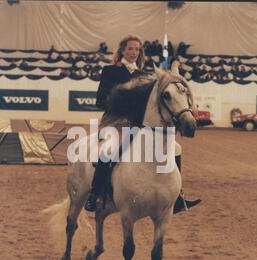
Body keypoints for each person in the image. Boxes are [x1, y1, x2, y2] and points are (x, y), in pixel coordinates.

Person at [84, 34, 201, 214]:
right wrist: (122, 103)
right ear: (123, 50)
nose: (134, 52)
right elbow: (100, 100)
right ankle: (96, 193)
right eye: (130, 48)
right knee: (110, 150)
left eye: (137, 49)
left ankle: (177, 196)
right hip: (115, 121)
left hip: (138, 124)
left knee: (175, 148)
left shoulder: (144, 75)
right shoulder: (110, 71)